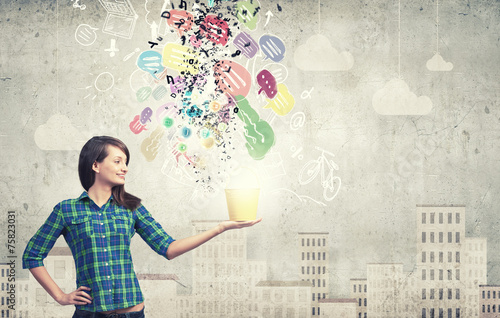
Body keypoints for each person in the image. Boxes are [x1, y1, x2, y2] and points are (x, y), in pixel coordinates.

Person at [22, 136, 262, 318]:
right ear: (95, 165)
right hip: (90, 313)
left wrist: (221, 228)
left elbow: (169, 248)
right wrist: (61, 296)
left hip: (132, 312)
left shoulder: (132, 208)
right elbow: (33, 255)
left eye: (126, 162)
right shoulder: (66, 210)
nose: (124, 167)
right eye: (117, 161)